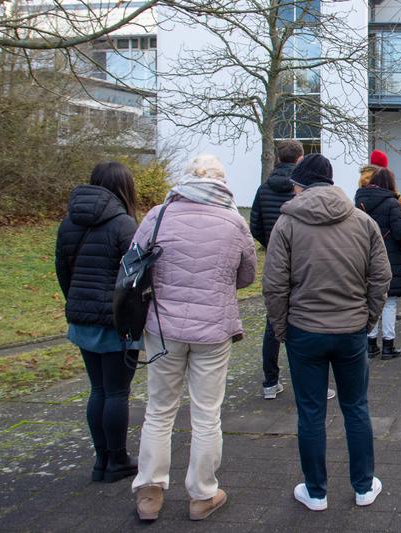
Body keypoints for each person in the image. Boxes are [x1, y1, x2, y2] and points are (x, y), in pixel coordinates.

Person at [262, 153, 391, 512]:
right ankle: (364, 486)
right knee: (356, 408)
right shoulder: (362, 222)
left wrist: (281, 328)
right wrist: (367, 319)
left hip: (304, 331)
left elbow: (273, 285)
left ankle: (316, 492)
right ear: (332, 183)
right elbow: (381, 277)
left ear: (298, 185)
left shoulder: (286, 225)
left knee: (310, 412)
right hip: (351, 329)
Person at [132, 155, 257, 522]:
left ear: (186, 180)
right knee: (206, 413)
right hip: (212, 329)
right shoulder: (234, 221)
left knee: (159, 409)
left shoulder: (158, 215)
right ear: (222, 183)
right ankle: (202, 493)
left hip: (163, 328)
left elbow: (134, 262)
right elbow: (247, 275)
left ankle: (150, 493)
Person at [55, 162, 140, 484]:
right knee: (117, 392)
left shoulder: (68, 224)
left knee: (98, 390)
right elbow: (134, 278)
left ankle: (101, 459)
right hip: (115, 321)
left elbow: (64, 271)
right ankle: (117, 459)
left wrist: (77, 302)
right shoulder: (123, 225)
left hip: (82, 317)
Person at [251, 140, 303, 400]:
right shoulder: (301, 190)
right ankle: (305, 382)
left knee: (272, 323)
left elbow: (255, 225)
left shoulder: (263, 189)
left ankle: (270, 382)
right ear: (299, 158)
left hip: (275, 262)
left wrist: (271, 246)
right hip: (302, 261)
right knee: (305, 321)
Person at [354, 167, 401, 360]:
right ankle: (388, 344)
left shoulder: (358, 201)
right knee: (389, 302)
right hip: (389, 255)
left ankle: (370, 344)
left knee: (370, 299)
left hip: (364, 254)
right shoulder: (392, 203)